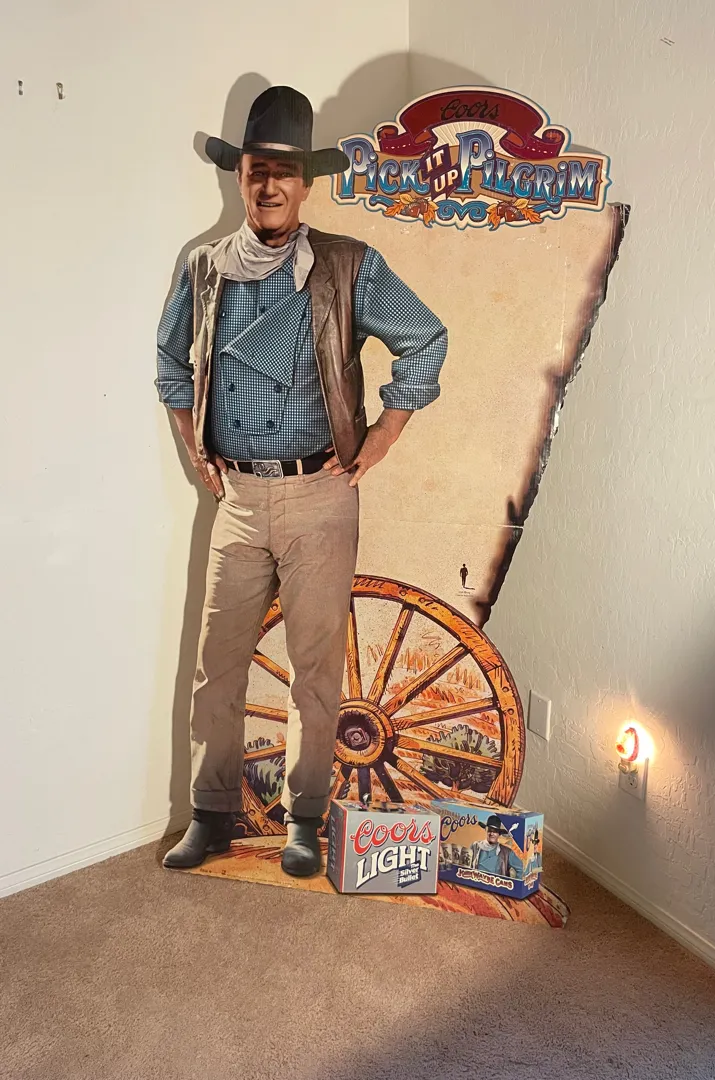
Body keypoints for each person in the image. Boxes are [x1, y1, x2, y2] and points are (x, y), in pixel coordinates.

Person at [157, 86, 448, 876]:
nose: (269, 186)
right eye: (257, 170)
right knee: (218, 666)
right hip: (238, 501)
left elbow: (425, 340)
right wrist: (194, 446)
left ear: (306, 184)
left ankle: (305, 821)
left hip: (322, 496)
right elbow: (170, 362)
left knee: (315, 671)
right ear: (240, 176)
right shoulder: (205, 267)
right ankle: (210, 817)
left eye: (284, 172)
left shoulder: (348, 264)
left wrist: (385, 435)